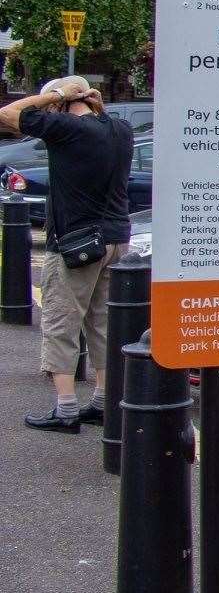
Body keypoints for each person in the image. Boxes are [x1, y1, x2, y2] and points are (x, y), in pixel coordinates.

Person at [0, 77, 134, 433]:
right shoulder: (121, 128)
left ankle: (66, 409)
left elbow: (8, 113)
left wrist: (55, 95)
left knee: (61, 322)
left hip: (75, 243)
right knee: (103, 324)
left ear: (61, 102)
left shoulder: (65, 129)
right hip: (117, 239)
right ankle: (103, 402)